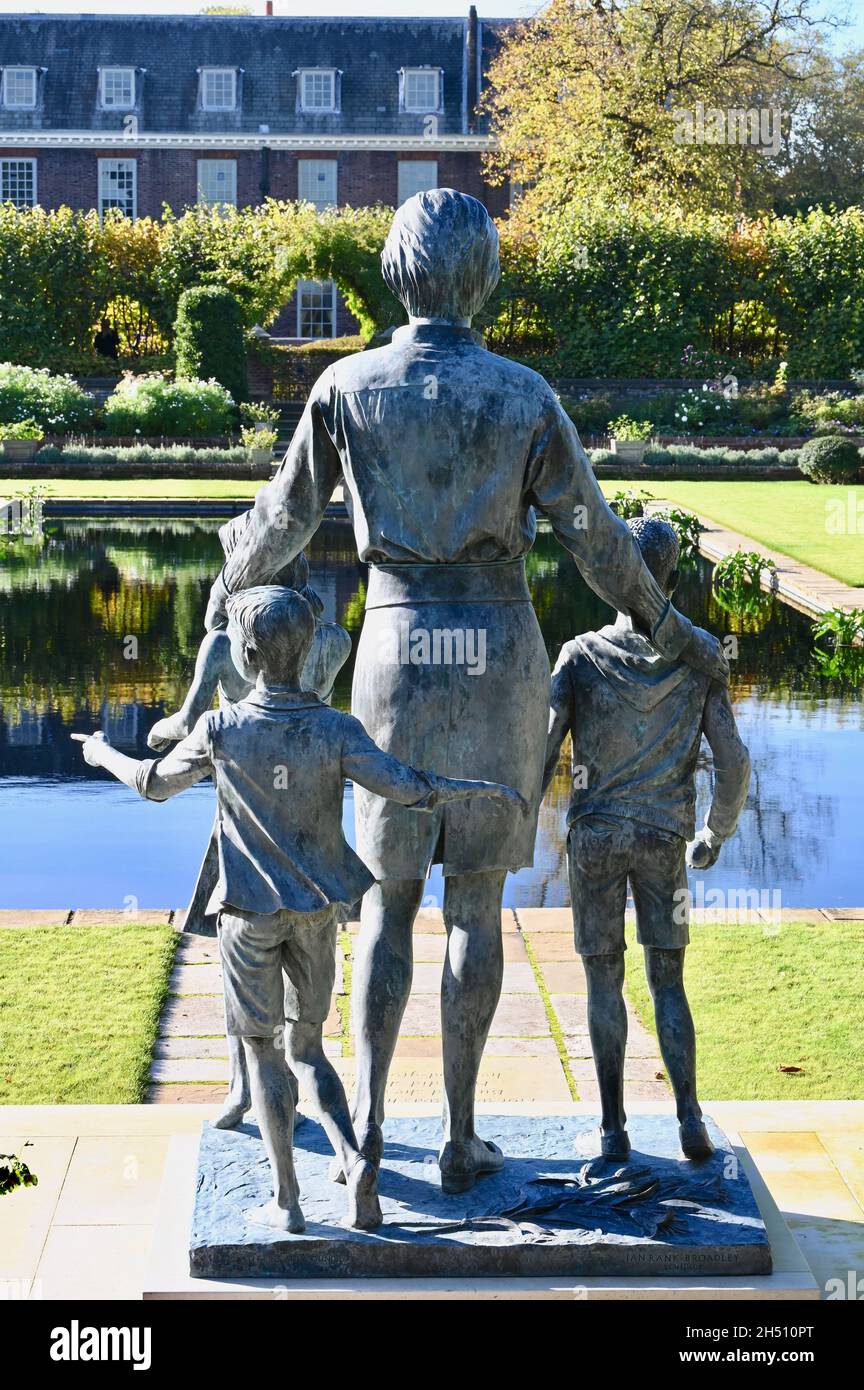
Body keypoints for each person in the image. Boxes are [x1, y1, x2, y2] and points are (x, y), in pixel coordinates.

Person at [202, 189, 728, 1194]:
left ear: (398, 275)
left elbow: (280, 522)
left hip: (398, 649)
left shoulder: (347, 385)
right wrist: (677, 630)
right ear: (483, 278)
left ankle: (362, 1142)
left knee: (391, 913)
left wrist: (223, 595)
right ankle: (457, 1133)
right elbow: (602, 546)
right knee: (476, 910)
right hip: (497, 657)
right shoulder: (524, 395)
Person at [74, 585, 524, 1230]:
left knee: (263, 1050)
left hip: (248, 920)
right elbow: (410, 789)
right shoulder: (337, 728)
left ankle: (288, 1202)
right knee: (309, 1048)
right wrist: (479, 789)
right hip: (314, 915)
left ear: (248, 654)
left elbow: (152, 785)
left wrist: (101, 752)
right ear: (307, 649)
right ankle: (353, 1159)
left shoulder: (222, 728)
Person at [542, 518, 751, 1161]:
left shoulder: (579, 657)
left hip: (597, 838)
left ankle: (613, 1129)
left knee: (603, 982)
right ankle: (688, 1117)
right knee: (668, 981)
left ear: (611, 572)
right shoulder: (700, 659)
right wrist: (714, 833)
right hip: (665, 838)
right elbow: (735, 761)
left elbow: (542, 751)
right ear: (673, 577)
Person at [148, 532, 352, 1132]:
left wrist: (164, 738)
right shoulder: (331, 640)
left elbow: (183, 725)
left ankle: (246, 1089)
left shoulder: (224, 645)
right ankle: (295, 1082)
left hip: (245, 824)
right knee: (307, 968)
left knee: (239, 966)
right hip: (309, 828)